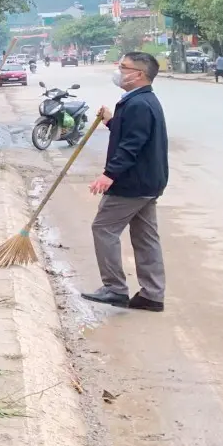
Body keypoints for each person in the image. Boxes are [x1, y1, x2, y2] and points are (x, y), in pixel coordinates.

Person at [82, 52, 169, 311]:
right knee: (146, 237)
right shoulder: (141, 101)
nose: (118, 71)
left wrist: (109, 174)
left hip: (132, 184)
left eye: (123, 67)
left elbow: (132, 145)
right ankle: (152, 294)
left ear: (139, 74)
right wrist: (112, 120)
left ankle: (115, 288)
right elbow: (130, 133)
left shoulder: (139, 104)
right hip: (148, 183)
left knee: (103, 228)